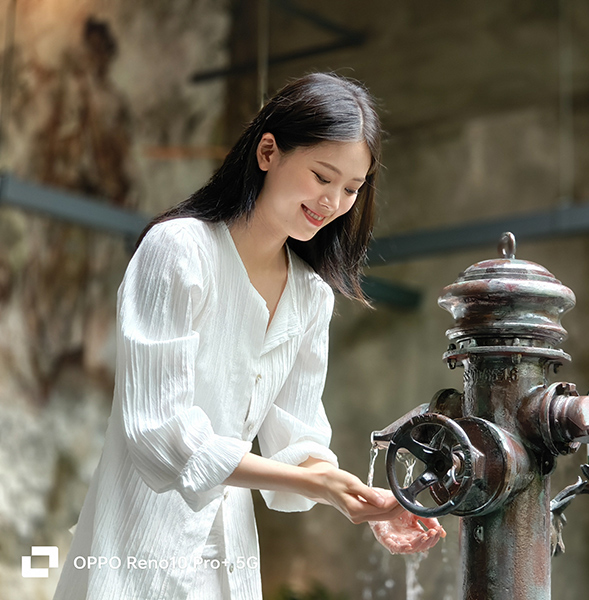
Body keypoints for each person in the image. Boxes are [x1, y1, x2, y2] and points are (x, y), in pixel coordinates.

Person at [53, 72, 445, 600]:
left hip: (229, 564)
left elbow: (296, 441)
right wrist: (318, 484)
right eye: (322, 176)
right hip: (134, 554)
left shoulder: (311, 295)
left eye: (351, 189)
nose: (333, 202)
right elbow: (160, 432)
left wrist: (360, 499)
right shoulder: (179, 250)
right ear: (268, 152)